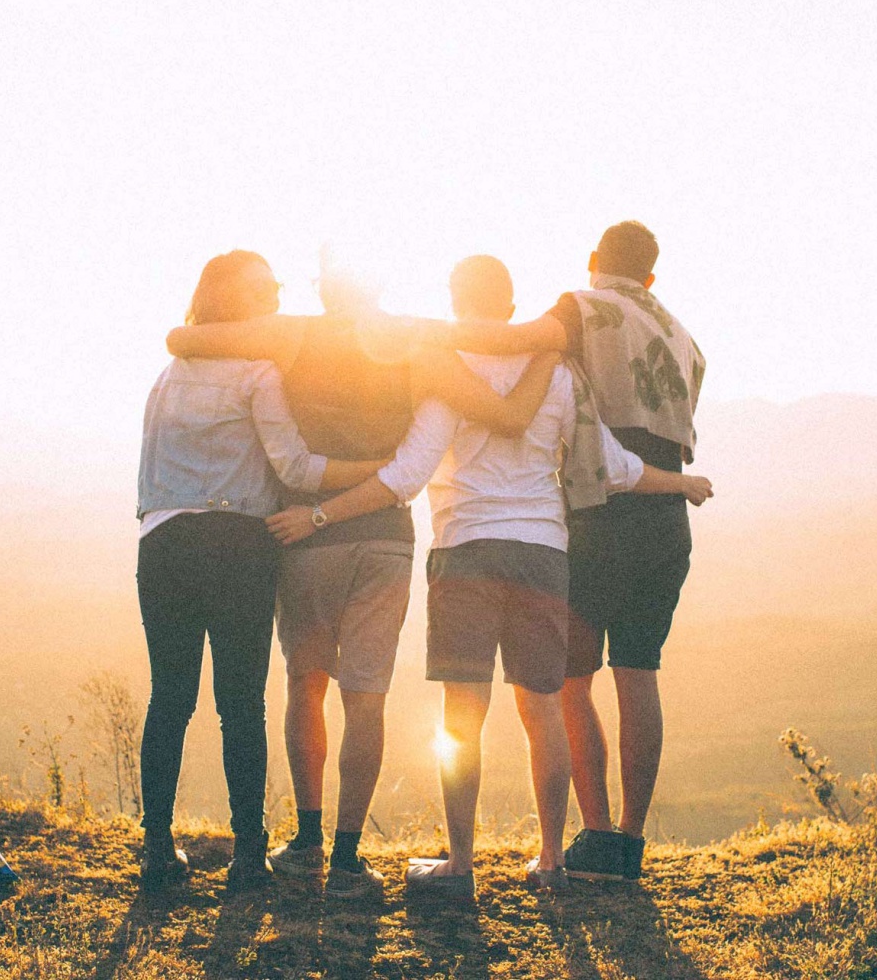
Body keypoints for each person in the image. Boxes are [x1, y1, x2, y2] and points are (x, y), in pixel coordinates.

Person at [265, 254, 711, 898]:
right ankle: (552, 861)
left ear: (455, 300)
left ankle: (461, 865)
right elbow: (615, 466)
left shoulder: (447, 370)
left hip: (466, 551)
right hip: (544, 555)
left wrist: (319, 514)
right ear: (510, 306)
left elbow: (406, 476)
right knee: (544, 712)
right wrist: (683, 483)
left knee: (462, 716)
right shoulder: (558, 373)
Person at [165, 252, 558, 899]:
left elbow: (187, 339)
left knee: (306, 684)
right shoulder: (412, 339)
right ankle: (348, 858)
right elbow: (497, 382)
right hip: (385, 539)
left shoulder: (292, 333)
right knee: (366, 697)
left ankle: (307, 839)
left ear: (323, 288)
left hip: (307, 537)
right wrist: (550, 343)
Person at [416, 222, 708, 881]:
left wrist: (418, 336)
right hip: (663, 515)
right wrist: (682, 483)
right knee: (639, 673)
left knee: (566, 683)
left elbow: (514, 341)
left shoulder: (582, 308)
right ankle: (628, 845)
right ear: (652, 276)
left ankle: (595, 838)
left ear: (594, 261)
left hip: (597, 513)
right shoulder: (685, 338)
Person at [135, 250, 389, 894]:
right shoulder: (258, 371)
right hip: (238, 545)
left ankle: (158, 849)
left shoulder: (168, 376)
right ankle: (249, 854)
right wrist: (376, 472)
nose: (277, 297)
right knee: (240, 703)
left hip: (162, 543)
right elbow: (297, 470)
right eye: (267, 289)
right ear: (243, 303)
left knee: (170, 698)